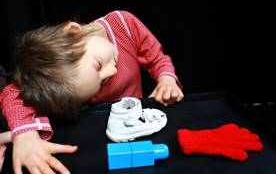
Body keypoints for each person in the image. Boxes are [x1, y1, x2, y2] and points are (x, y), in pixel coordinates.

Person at [0, 10, 184, 174]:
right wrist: (25, 136)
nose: (111, 71)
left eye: (97, 64)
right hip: (94, 138)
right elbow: (11, 94)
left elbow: (158, 60)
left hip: (136, 126)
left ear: (74, 32)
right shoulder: (56, 85)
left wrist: (166, 79)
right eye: (101, 82)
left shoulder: (124, 24)